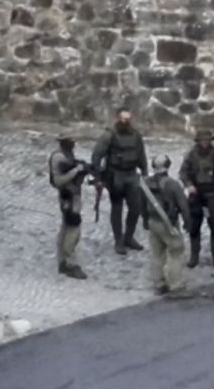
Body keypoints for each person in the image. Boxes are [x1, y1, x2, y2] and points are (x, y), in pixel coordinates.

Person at [91, 106, 148, 255]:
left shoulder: (136, 135)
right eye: (123, 119)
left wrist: (145, 171)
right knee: (117, 209)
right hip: (115, 176)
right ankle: (118, 240)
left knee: (136, 208)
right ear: (118, 118)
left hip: (131, 175)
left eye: (128, 119)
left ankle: (128, 237)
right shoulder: (108, 135)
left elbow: (141, 154)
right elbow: (96, 156)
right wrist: (98, 176)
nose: (126, 121)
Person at [178, 128, 214, 269]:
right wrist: (188, 185)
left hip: (213, 195)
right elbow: (183, 172)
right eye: (202, 140)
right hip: (196, 195)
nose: (205, 143)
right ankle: (194, 256)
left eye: (207, 140)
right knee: (194, 226)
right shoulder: (191, 155)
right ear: (198, 141)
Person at [140, 154, 192, 297]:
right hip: (168, 223)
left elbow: (142, 204)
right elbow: (183, 205)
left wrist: (145, 220)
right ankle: (176, 285)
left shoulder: (145, 183)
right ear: (168, 166)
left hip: (152, 221)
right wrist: (188, 223)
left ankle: (158, 283)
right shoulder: (172, 184)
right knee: (176, 252)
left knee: (157, 254)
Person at [47, 132, 89, 280]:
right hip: (68, 197)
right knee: (73, 230)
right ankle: (70, 263)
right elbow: (59, 180)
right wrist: (76, 171)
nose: (74, 142)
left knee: (66, 228)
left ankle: (62, 261)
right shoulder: (59, 158)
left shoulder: (67, 155)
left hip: (72, 196)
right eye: (71, 140)